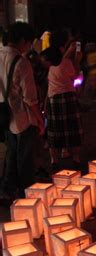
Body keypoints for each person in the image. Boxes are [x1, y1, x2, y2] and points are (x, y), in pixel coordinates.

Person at [0, 22, 44, 199]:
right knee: (25, 158)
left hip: (3, 114)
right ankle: (26, 194)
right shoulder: (21, 62)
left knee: (11, 152)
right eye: (29, 42)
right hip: (21, 117)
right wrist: (40, 120)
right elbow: (30, 98)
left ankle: (7, 189)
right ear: (23, 41)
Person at [46, 30, 83, 170]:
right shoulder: (66, 62)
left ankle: (54, 159)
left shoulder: (48, 57)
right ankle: (76, 158)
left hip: (53, 97)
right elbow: (76, 78)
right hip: (67, 96)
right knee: (73, 128)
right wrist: (77, 62)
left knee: (55, 130)